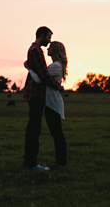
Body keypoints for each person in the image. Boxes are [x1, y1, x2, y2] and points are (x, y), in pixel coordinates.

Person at [22, 26, 63, 170]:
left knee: (33, 127)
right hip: (36, 94)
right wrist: (57, 86)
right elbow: (43, 76)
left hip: (34, 93)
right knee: (34, 128)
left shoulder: (33, 50)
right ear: (41, 36)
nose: (49, 41)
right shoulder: (36, 51)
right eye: (48, 37)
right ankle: (31, 163)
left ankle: (30, 161)